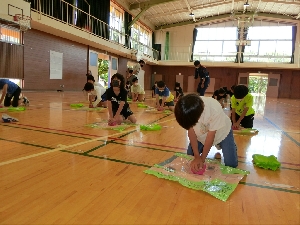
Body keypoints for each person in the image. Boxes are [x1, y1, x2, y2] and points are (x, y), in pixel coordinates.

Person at [174, 93, 238, 172]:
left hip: (222, 132)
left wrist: (202, 159)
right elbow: (191, 133)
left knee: (231, 164)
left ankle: (228, 145)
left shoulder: (214, 107)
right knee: (190, 156)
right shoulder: (187, 110)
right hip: (201, 134)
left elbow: (210, 137)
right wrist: (197, 156)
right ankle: (221, 145)